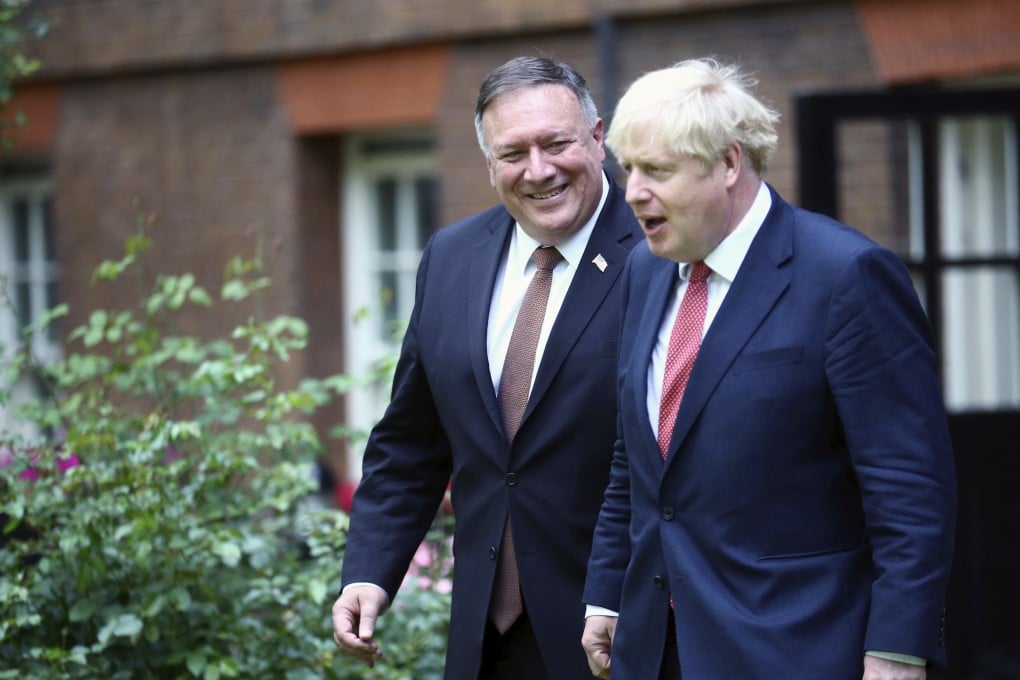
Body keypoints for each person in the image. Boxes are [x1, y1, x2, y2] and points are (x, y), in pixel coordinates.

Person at [581, 58, 957, 680]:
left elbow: (909, 489)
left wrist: (898, 648)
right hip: (652, 649)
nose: (633, 192)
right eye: (628, 169)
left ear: (729, 163)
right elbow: (637, 457)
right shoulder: (645, 270)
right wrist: (606, 593)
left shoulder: (846, 276)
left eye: (658, 170)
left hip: (797, 649)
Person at [331, 55, 642, 679]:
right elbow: (411, 442)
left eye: (557, 144)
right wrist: (369, 571)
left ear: (597, 137)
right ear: (489, 164)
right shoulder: (452, 257)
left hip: (618, 633)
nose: (539, 170)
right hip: (485, 642)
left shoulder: (658, 253)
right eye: (513, 153)